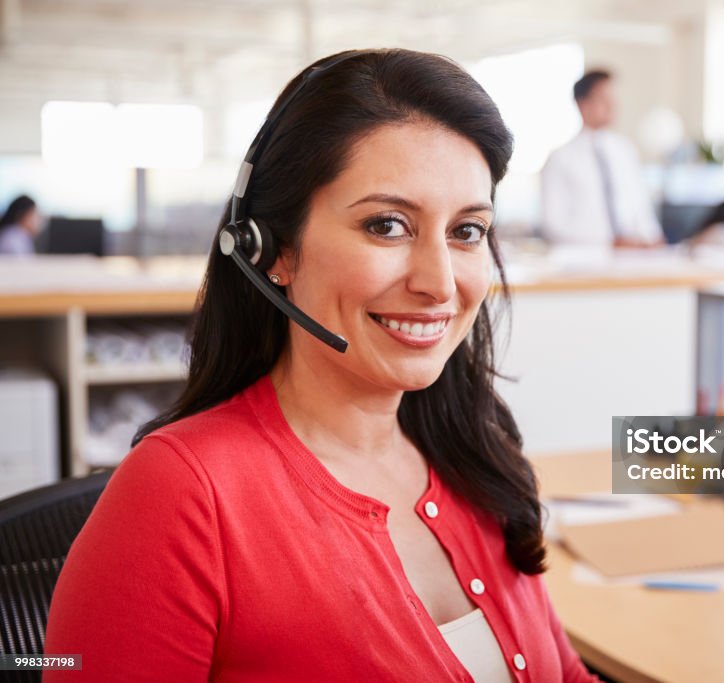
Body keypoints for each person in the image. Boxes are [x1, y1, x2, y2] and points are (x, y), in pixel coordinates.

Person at [44, 49, 598, 682]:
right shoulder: (182, 495)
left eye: (466, 231)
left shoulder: (473, 454)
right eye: (387, 225)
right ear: (274, 250)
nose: (440, 284)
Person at [541, 69, 663, 247]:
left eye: (613, 98)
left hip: (633, 257)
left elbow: (641, 208)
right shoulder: (560, 159)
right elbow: (553, 225)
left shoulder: (626, 150)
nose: (612, 105)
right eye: (603, 99)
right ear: (582, 104)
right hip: (584, 259)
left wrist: (652, 238)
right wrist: (610, 242)